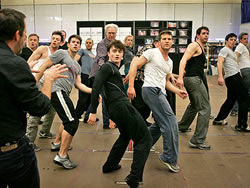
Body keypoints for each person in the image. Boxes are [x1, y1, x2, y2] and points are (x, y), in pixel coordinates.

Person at [0, 8, 68, 188]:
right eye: (25, 34)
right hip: (10, 152)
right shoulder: (15, 63)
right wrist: (49, 79)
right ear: (17, 35)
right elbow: (40, 107)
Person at [88, 40, 152, 188]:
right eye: (114, 51)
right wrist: (92, 111)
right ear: (108, 53)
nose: (117, 54)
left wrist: (112, 115)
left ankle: (110, 165)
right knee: (144, 138)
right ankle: (134, 177)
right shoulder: (107, 67)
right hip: (121, 106)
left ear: (123, 54)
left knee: (125, 136)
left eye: (119, 52)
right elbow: (96, 86)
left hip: (117, 108)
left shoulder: (114, 69)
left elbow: (109, 92)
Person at [128, 30, 188, 173]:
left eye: (169, 39)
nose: (167, 41)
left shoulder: (170, 62)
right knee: (170, 121)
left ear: (172, 42)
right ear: (159, 41)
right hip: (150, 89)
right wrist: (130, 86)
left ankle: (144, 143)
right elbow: (135, 65)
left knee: (162, 122)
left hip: (160, 91)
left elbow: (166, 82)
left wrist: (178, 91)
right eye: (164, 39)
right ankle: (169, 157)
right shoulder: (152, 52)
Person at [35, 34, 92, 169]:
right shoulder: (62, 53)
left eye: (78, 43)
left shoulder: (77, 66)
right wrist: (34, 82)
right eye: (73, 42)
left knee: (68, 119)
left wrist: (93, 91)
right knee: (72, 122)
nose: (75, 44)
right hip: (56, 90)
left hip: (64, 93)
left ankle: (57, 144)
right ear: (68, 44)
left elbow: (78, 85)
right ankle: (62, 155)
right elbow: (44, 65)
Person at [25, 31, 64, 152]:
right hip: (37, 82)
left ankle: (44, 132)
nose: (55, 41)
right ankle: (29, 142)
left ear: (61, 42)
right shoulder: (43, 49)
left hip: (50, 83)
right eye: (53, 38)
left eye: (57, 39)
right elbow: (28, 63)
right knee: (36, 112)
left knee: (51, 109)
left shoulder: (59, 54)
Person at [176, 26, 211, 150]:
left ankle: (182, 126)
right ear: (197, 35)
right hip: (193, 79)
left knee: (195, 105)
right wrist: (180, 77)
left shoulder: (201, 47)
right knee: (205, 108)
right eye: (203, 33)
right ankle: (197, 140)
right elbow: (183, 60)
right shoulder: (194, 45)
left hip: (195, 78)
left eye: (207, 33)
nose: (206, 35)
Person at [212, 33, 250, 132]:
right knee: (245, 98)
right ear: (226, 41)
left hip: (234, 76)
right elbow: (219, 62)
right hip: (232, 77)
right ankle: (242, 125)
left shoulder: (231, 51)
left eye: (234, 40)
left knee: (231, 100)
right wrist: (220, 77)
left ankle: (219, 119)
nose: (233, 41)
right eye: (231, 39)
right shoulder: (224, 50)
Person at [89, 23, 118, 129]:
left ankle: (89, 115)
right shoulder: (102, 44)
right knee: (104, 97)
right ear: (106, 33)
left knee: (102, 97)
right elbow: (100, 59)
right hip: (99, 73)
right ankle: (106, 123)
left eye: (113, 33)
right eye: (109, 33)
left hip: (108, 73)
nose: (111, 35)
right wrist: (107, 68)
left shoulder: (115, 43)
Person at [75, 38, 97, 122]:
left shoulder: (93, 54)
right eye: (87, 43)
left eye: (90, 43)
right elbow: (75, 60)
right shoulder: (82, 51)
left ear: (92, 44)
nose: (88, 44)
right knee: (83, 96)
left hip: (91, 77)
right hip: (84, 75)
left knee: (90, 97)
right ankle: (77, 115)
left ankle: (87, 115)